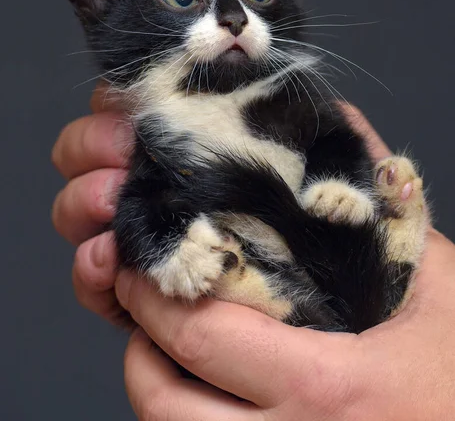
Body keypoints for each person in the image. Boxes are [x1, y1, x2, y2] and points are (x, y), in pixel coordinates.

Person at [51, 84, 455, 420]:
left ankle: (376, 262)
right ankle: (297, 294)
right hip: (302, 283)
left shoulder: (293, 93)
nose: (233, 19)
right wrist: (163, 247)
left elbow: (340, 145)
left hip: (335, 275)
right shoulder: (151, 126)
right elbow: (139, 213)